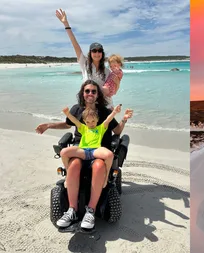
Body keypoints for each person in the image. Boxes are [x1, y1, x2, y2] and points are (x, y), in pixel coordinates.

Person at [35, 79, 133, 229]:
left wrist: (124, 120)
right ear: (83, 93)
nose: (90, 94)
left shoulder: (104, 111)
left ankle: (91, 211)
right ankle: (72, 209)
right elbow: (68, 124)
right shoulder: (77, 109)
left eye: (93, 91)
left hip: (100, 148)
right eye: (87, 91)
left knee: (100, 165)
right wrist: (48, 125)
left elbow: (117, 131)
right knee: (73, 164)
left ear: (97, 94)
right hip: (81, 148)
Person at [55, 8, 120, 106]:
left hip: (105, 105)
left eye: (99, 51)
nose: (97, 53)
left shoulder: (107, 71)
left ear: (102, 53)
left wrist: (118, 83)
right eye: (94, 51)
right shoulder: (84, 64)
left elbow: (112, 91)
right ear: (90, 53)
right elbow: (75, 45)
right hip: (88, 105)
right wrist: (66, 25)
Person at [60, 104, 124, 188]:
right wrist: (68, 113)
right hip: (83, 150)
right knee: (63, 152)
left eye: (93, 121)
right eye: (88, 122)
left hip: (95, 150)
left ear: (97, 120)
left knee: (110, 155)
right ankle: (68, 176)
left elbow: (108, 119)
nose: (91, 124)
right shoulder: (83, 128)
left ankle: (105, 178)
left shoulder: (100, 128)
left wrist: (115, 112)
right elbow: (75, 121)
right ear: (84, 121)